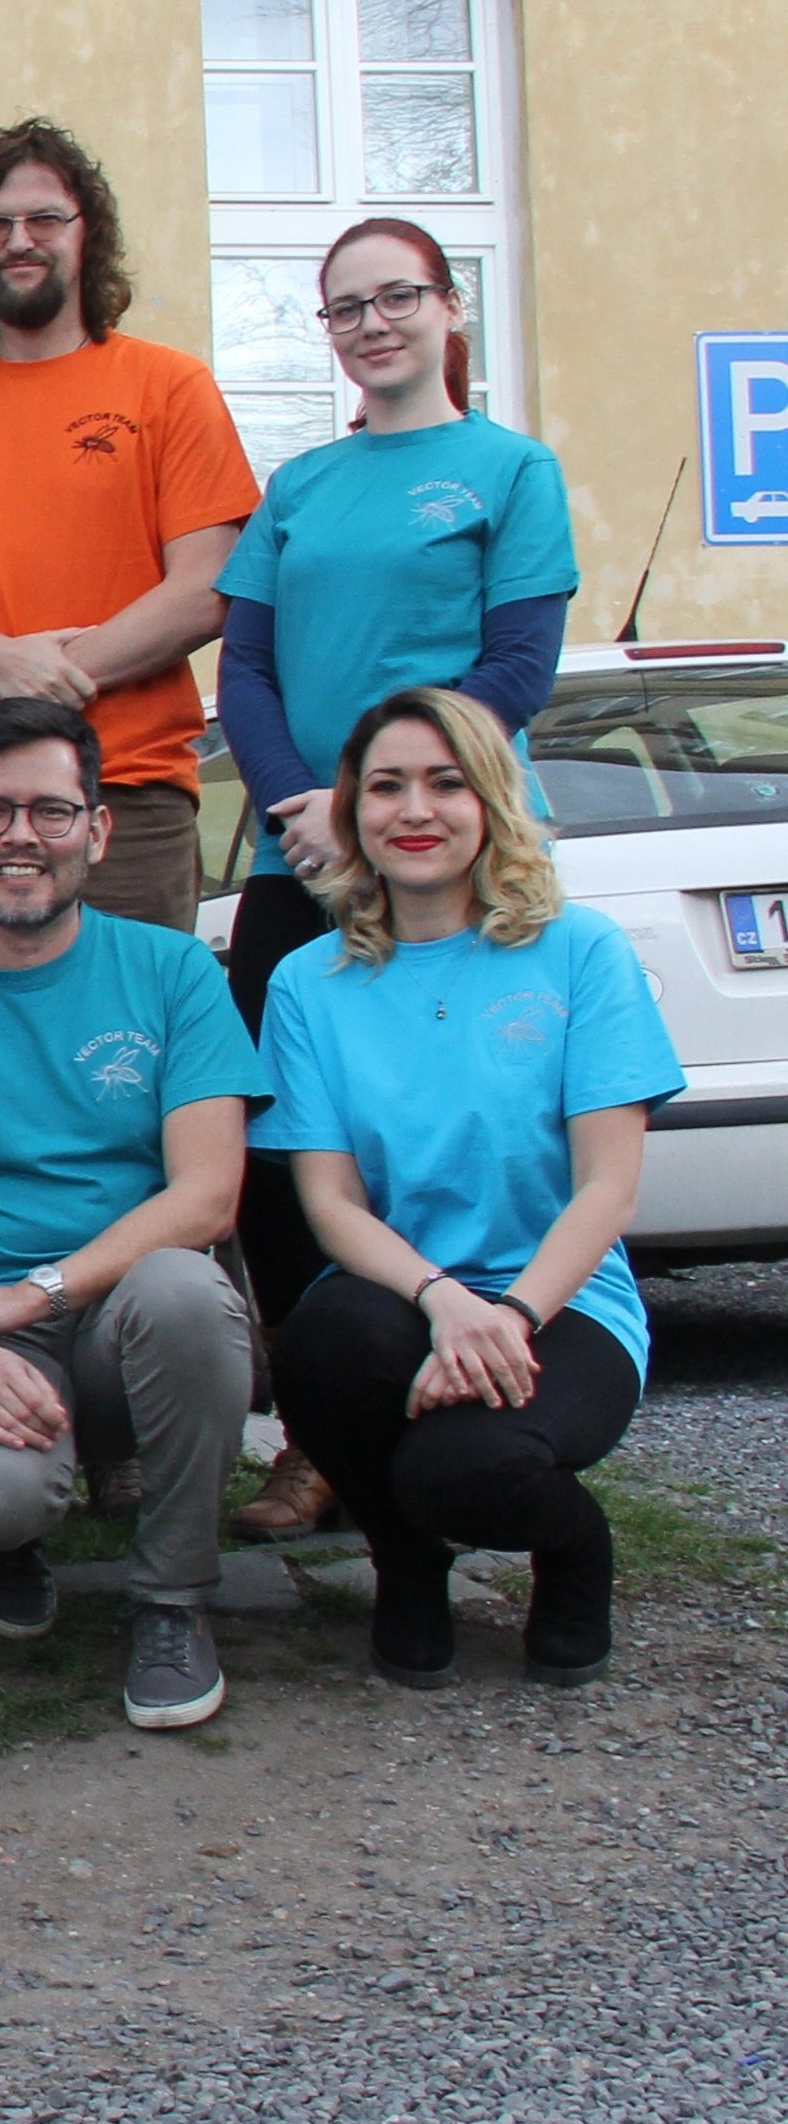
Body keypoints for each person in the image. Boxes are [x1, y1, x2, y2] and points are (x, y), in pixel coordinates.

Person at [214, 222, 578, 1539]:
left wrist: (383, 799)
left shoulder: (506, 469)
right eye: (343, 307)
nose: (371, 323)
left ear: (445, 304)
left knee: (464, 1131)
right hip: (294, 857)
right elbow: (243, 673)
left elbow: (517, 669)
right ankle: (320, 1440)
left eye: (395, 297)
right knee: (282, 1152)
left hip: (453, 864)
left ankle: (487, 1379)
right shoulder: (299, 483)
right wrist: (299, 805)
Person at [0, 698, 261, 1730]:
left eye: (50, 811)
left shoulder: (172, 974)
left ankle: (171, 1600)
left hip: (125, 1317)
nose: (19, 837)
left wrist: (22, 1299)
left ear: (97, 829)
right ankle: (8, 1539)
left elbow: (206, 1195)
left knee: (187, 1291)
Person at [257, 689, 680, 1691]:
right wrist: (445, 1302)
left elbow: (606, 1192)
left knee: (464, 1474)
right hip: (404, 1297)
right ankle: (406, 1562)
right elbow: (329, 1207)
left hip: (564, 1302)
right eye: (386, 786)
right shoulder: (309, 983)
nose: (414, 810)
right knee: (322, 1345)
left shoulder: (581, 954)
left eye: (445, 783)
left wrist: (511, 1313)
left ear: (492, 798)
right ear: (352, 809)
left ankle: (572, 1552)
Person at [0, 122, 263, 937]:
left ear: (85, 232)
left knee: (132, 1058)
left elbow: (206, 589)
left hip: (126, 802)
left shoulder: (169, 387)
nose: (18, 241)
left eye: (44, 219)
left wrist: (18, 683)